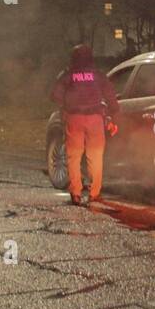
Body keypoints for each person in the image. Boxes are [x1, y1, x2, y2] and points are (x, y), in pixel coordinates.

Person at [50, 43, 119, 207]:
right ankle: (94, 193)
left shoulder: (68, 75)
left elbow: (55, 95)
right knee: (95, 156)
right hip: (95, 119)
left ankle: (76, 193)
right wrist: (114, 113)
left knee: (73, 156)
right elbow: (110, 95)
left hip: (74, 118)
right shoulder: (98, 75)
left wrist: (67, 104)